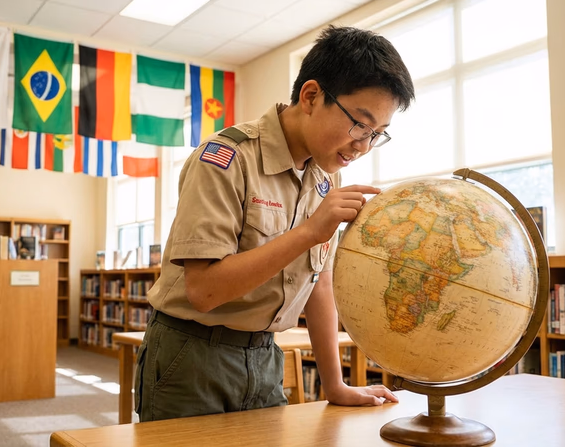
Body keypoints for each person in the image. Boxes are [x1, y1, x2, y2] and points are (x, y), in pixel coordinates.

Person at [135, 25, 415, 422]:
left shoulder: (324, 176)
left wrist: (334, 385)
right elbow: (203, 291)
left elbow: (319, 284)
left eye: (377, 134)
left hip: (266, 355)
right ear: (312, 96)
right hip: (191, 353)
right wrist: (308, 233)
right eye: (359, 125)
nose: (363, 146)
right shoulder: (225, 159)